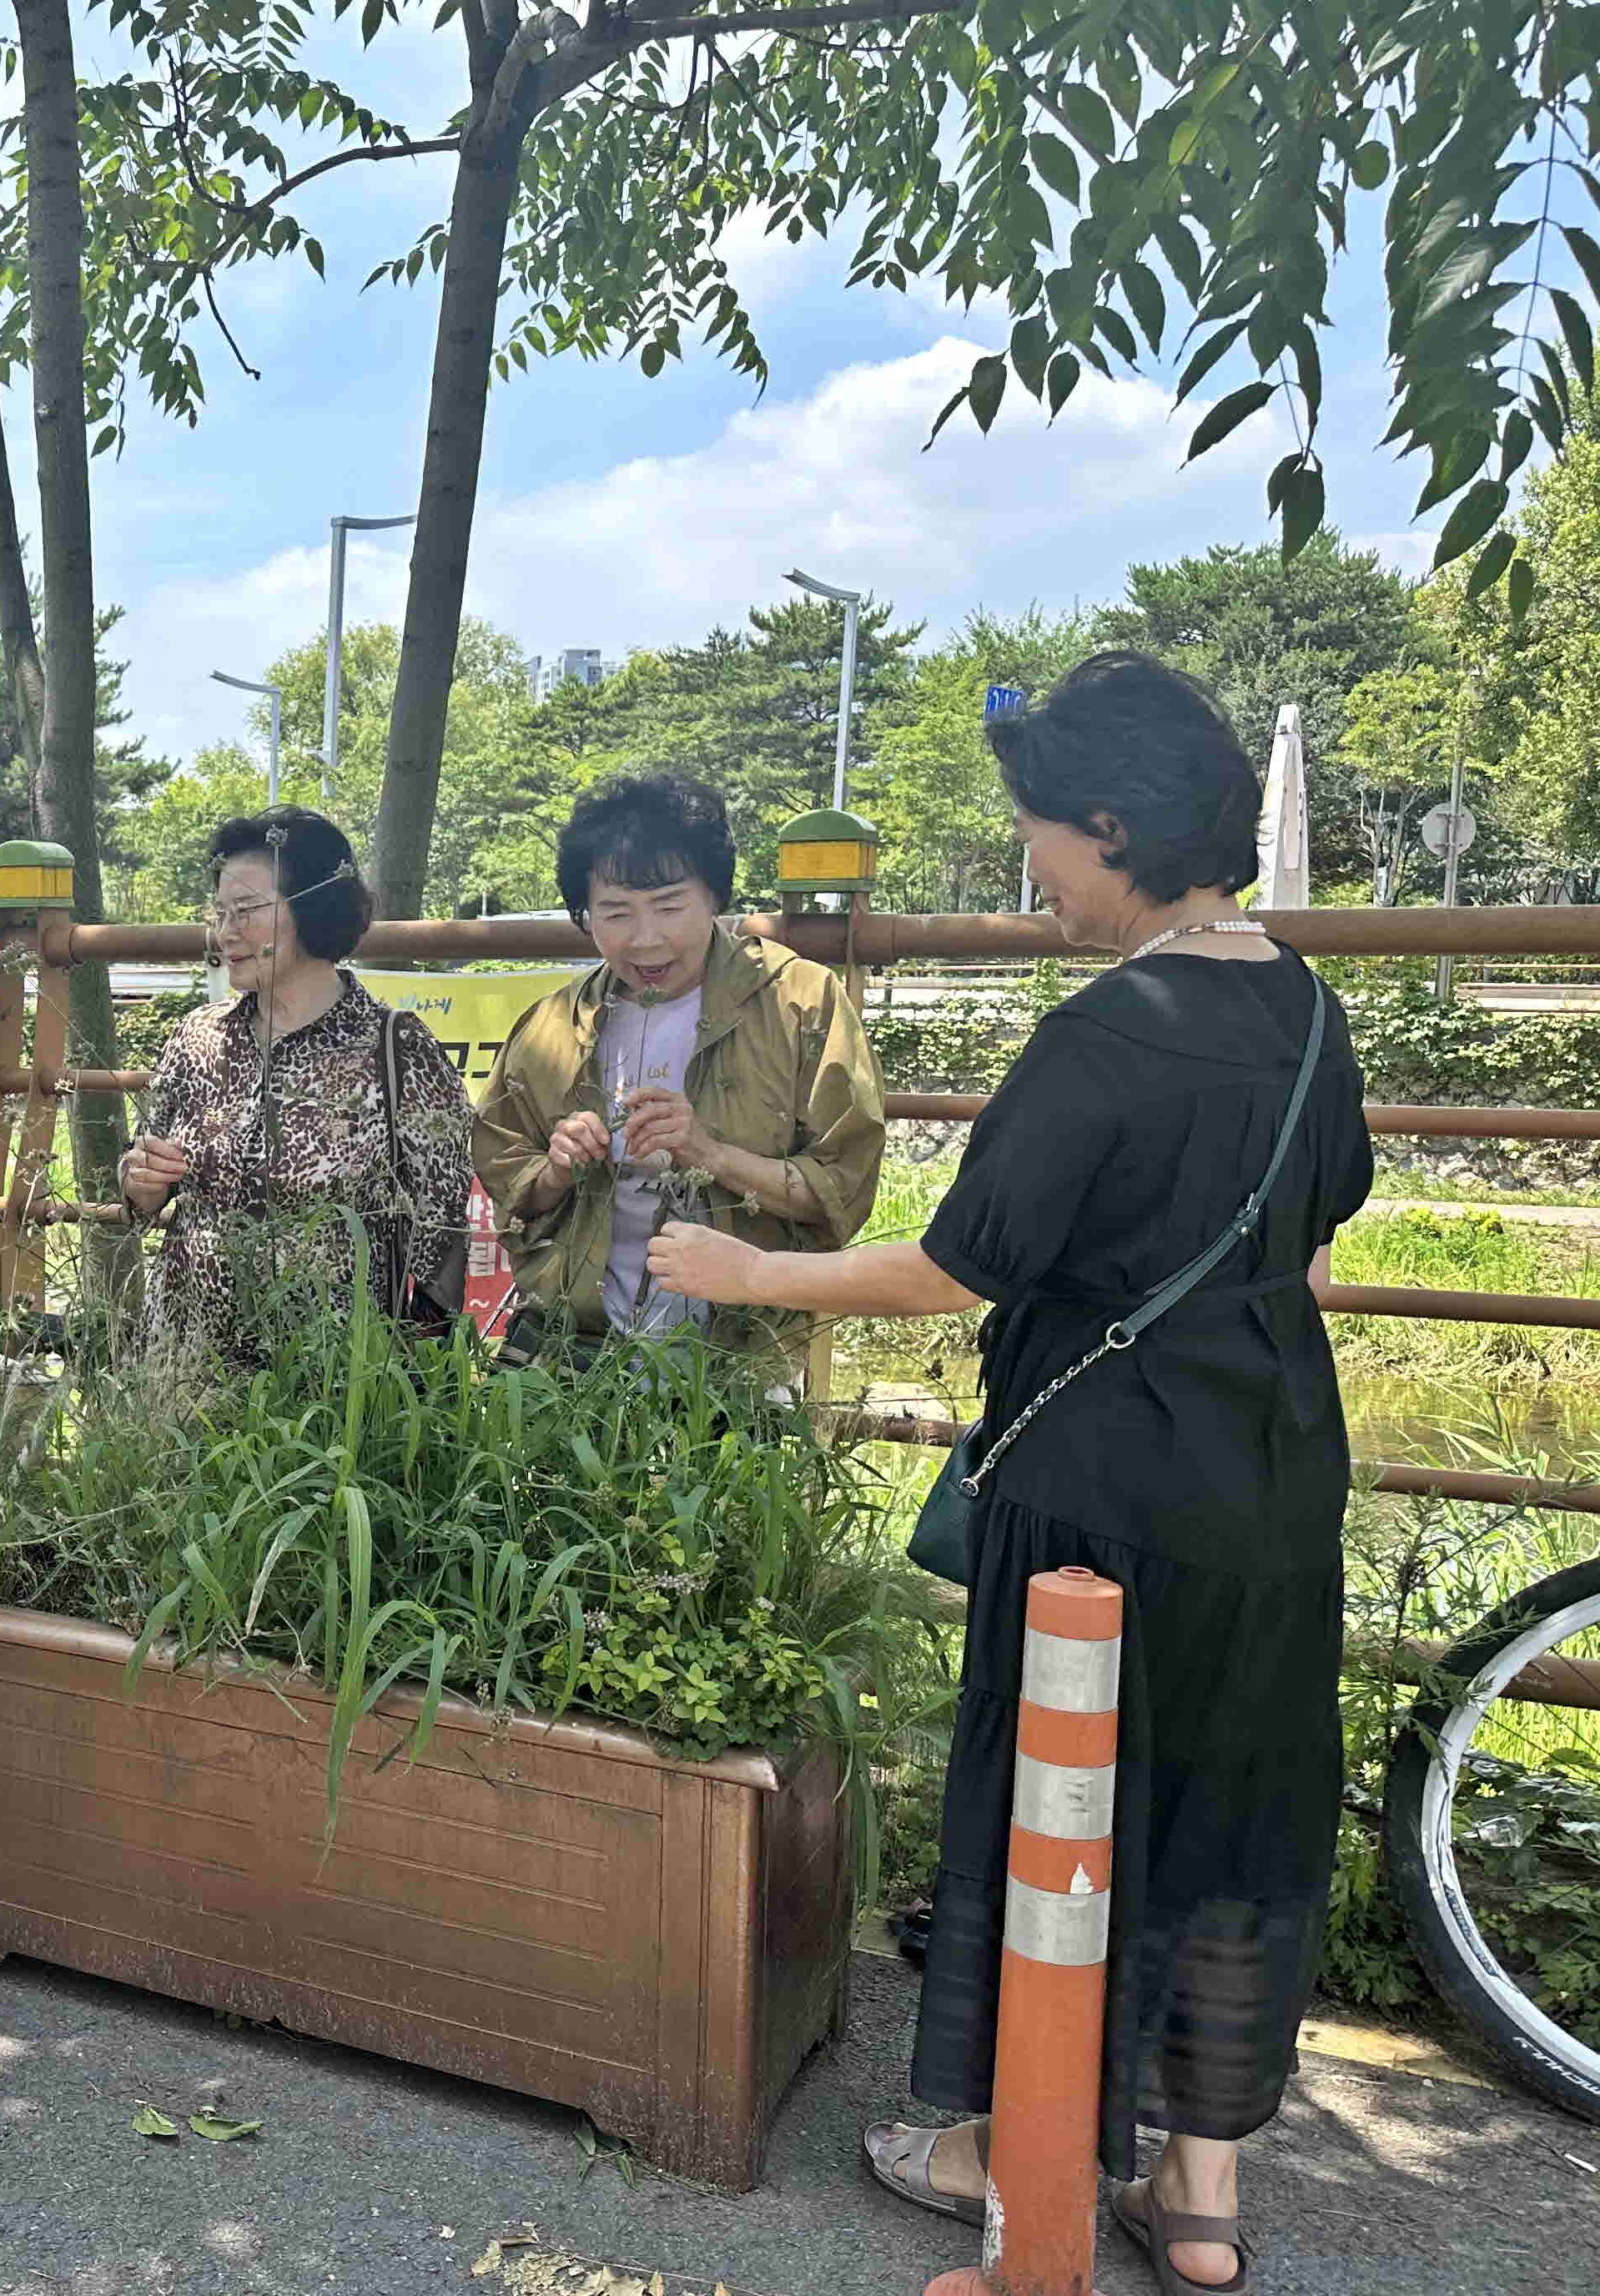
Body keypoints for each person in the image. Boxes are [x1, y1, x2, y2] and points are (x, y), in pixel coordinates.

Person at [648, 652, 1375, 2295]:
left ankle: (997, 2149)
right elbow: (1308, 1239)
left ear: (1110, 826)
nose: (1027, 867)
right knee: (1227, 1795)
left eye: (1037, 834)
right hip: (1275, 1469)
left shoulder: (1106, 1028)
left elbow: (956, 1265)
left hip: (1102, 1483)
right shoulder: (1308, 1009)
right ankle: (1194, 2193)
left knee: (1059, 1803)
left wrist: (734, 1267)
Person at [470, 773, 883, 1375]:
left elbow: (843, 1188)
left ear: (714, 896)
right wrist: (555, 1169)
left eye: (669, 906)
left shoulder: (797, 1003)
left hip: (734, 1346)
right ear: (585, 917)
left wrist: (707, 1153)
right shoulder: (553, 1024)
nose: (645, 939)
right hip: (571, 1338)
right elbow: (508, 1179)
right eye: (614, 913)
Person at [121, 808, 474, 1362]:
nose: (227, 932)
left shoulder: (394, 1046)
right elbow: (144, 1177)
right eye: (220, 913)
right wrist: (141, 1181)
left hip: (328, 1379)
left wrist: (415, 1364)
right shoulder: (197, 1036)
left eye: (247, 910)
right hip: (186, 1364)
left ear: (313, 908)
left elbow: (443, 1219)